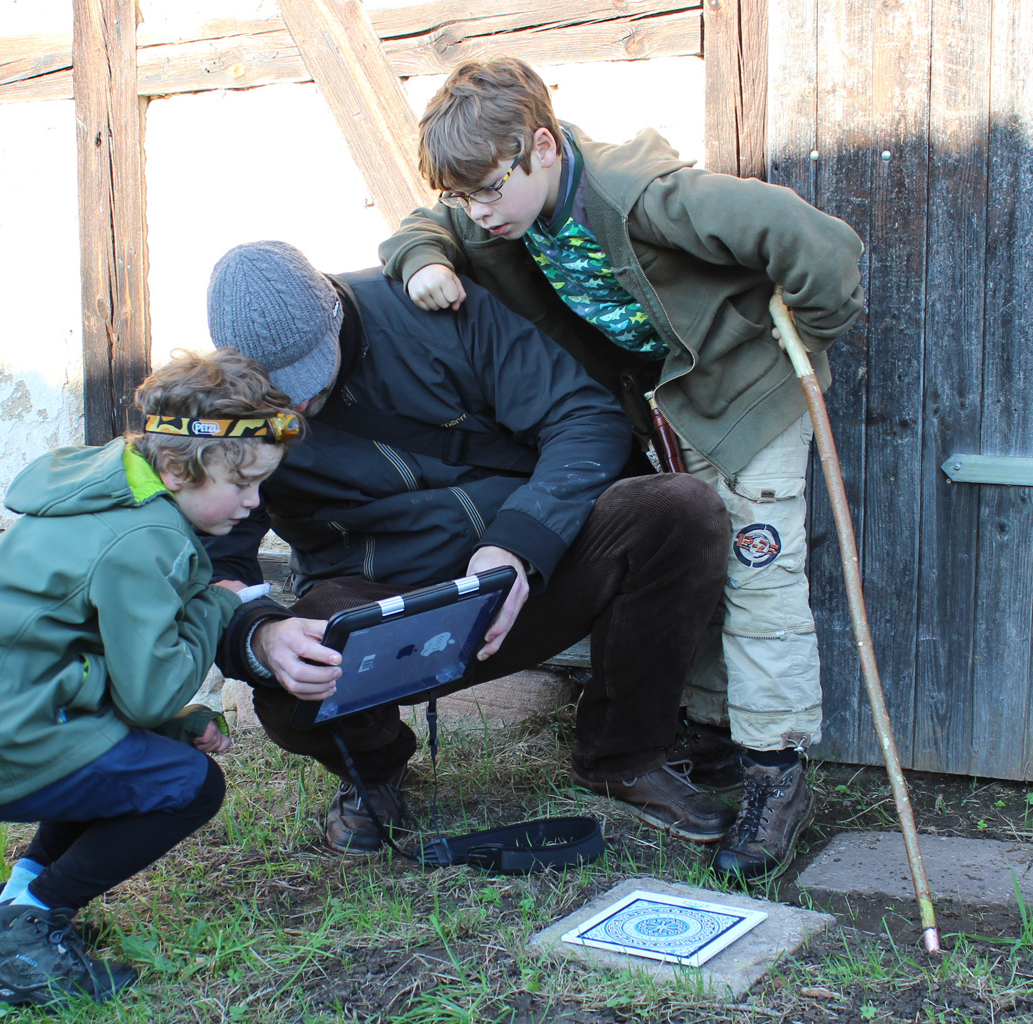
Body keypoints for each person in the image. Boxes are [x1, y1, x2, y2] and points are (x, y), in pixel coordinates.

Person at [376, 57, 866, 883]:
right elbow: (423, 226)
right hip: (668, 411)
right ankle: (714, 737)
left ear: (542, 146)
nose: (478, 213)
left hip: (748, 407)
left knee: (762, 582)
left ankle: (777, 778)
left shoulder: (648, 193)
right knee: (701, 566)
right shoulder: (499, 209)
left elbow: (821, 247)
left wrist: (786, 351)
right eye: (466, 197)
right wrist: (423, 259)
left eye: (489, 190)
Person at [202, 240, 735, 857]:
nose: (291, 403)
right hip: (385, 607)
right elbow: (212, 561)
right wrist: (261, 634)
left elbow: (585, 416)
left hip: (528, 573)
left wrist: (517, 545)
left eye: (303, 376)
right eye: (274, 388)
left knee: (679, 509)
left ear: (334, 313)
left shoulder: (435, 310)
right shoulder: (224, 405)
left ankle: (624, 753)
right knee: (288, 662)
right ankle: (376, 769)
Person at [0, 349, 303, 1007]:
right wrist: (220, 603)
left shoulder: (110, 484)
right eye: (243, 483)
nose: (253, 505)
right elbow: (152, 689)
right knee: (190, 786)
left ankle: (20, 904)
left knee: (139, 762)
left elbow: (100, 663)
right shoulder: (146, 538)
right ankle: (25, 936)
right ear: (174, 467)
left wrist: (170, 724)